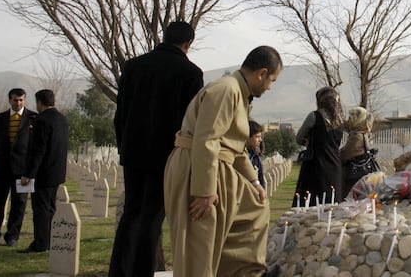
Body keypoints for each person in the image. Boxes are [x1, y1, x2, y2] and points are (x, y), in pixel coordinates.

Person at [164, 46, 282, 277]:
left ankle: (245, 272)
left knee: (255, 211)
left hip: (219, 167)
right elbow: (207, 139)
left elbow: (235, 147)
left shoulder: (239, 92)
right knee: (199, 248)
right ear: (262, 73)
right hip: (198, 168)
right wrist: (203, 190)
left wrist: (255, 183)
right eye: (272, 81)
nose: (270, 87)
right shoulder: (226, 89)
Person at [109, 21, 204, 277]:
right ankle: (141, 272)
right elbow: (190, 123)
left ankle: (118, 271)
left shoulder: (133, 66)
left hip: (132, 151)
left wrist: (123, 146)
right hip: (166, 156)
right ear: (188, 43)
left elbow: (120, 114)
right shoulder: (190, 73)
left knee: (131, 212)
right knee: (151, 217)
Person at [19, 89, 68, 253]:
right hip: (57, 171)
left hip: (43, 173)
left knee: (40, 210)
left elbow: (38, 150)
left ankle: (40, 243)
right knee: (50, 208)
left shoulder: (42, 121)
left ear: (40, 102)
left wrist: (28, 174)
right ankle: (50, 239)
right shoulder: (62, 119)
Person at [0, 88, 37, 247]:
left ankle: (12, 236)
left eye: (21, 100)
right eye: (15, 100)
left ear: (25, 100)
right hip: (2, 169)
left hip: (22, 170)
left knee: (19, 204)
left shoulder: (33, 118)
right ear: (10, 100)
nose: (18, 103)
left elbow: (35, 145)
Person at [294, 86, 345, 206]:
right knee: (331, 205)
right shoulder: (341, 120)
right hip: (334, 167)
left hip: (314, 166)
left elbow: (299, 138)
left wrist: (309, 141)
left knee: (309, 206)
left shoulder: (314, 116)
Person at [340, 106, 375, 197]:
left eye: (350, 118)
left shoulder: (357, 137)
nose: (348, 121)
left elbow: (344, 156)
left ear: (357, 120)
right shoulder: (362, 134)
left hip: (353, 180)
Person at [246, 120, 265, 188]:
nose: (260, 140)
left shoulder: (256, 158)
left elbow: (261, 180)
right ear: (247, 137)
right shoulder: (238, 157)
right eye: (257, 137)